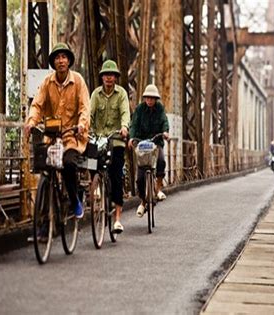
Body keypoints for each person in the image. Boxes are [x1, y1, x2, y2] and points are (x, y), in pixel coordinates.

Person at [24, 42, 90, 220]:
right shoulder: (47, 82)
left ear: (69, 61)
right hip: (52, 137)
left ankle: (75, 200)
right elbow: (37, 105)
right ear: (53, 62)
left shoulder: (78, 81)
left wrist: (82, 124)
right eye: (57, 58)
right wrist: (31, 122)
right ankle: (46, 218)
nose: (61, 61)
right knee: (44, 168)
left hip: (71, 136)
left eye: (64, 57)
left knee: (69, 164)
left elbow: (85, 108)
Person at [90, 59, 130, 233]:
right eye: (106, 75)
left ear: (116, 77)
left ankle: (118, 219)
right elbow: (89, 114)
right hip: (98, 138)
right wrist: (86, 128)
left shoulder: (121, 94)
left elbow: (125, 112)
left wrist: (124, 127)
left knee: (116, 176)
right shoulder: (95, 94)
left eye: (112, 75)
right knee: (90, 161)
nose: (108, 78)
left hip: (115, 140)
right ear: (102, 77)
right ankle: (96, 186)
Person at [128, 84, 169, 218]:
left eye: (152, 98)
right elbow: (134, 124)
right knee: (140, 177)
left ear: (156, 99)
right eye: (147, 98)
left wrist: (165, 132)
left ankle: (158, 188)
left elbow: (164, 121)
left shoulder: (160, 108)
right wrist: (132, 137)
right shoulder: (139, 109)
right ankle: (143, 201)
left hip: (156, 142)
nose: (150, 100)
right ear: (145, 98)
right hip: (142, 143)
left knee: (161, 160)